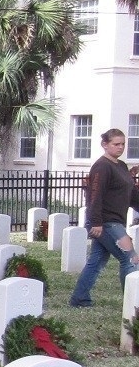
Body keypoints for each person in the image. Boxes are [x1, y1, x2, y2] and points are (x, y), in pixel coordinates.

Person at [69, 128, 139, 308]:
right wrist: (97, 222)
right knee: (130, 258)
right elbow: (94, 195)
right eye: (116, 144)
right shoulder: (102, 166)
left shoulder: (121, 166)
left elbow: (130, 195)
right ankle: (132, 304)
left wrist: (132, 179)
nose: (120, 147)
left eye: (123, 144)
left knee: (97, 261)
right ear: (105, 145)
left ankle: (79, 298)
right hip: (106, 222)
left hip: (115, 221)